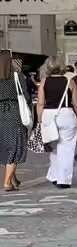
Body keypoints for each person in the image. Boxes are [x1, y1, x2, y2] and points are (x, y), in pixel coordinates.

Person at [37, 62, 77, 189]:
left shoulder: (44, 82)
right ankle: (63, 179)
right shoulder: (70, 82)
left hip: (48, 115)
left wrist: (40, 120)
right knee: (66, 147)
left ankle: (54, 175)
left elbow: (40, 103)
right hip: (66, 113)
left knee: (54, 147)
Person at [0, 50, 28, 191]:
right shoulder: (17, 76)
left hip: (0, 113)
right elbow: (26, 95)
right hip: (14, 112)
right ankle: (7, 182)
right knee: (15, 147)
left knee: (5, 146)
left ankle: (13, 179)